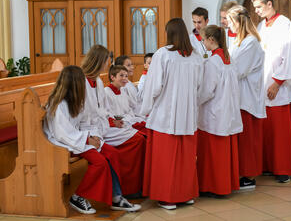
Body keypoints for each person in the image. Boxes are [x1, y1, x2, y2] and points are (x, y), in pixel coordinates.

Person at [43, 65, 141, 214]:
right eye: (81, 83)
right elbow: (62, 133)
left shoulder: (75, 100)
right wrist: (87, 140)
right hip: (64, 142)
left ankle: (116, 197)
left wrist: (93, 136)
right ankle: (78, 196)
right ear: (73, 84)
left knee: (113, 153)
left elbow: (84, 122)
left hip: (79, 137)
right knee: (100, 162)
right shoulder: (59, 105)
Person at [141, 18, 203, 210]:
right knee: (186, 157)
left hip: (165, 114)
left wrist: (145, 110)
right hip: (188, 114)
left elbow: (154, 87)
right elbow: (200, 87)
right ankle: (185, 195)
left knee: (166, 158)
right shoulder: (196, 56)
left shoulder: (163, 54)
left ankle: (168, 197)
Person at [252, 0, 291, 183]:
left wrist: (278, 82)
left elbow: (289, 55)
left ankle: (283, 169)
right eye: (255, 7)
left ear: (269, 4)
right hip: (263, 83)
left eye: (259, 7)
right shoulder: (261, 26)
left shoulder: (285, 25)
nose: (256, 10)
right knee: (267, 129)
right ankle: (268, 165)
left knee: (280, 131)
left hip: (279, 86)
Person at [81, 45, 146, 196]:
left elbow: (101, 109)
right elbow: (86, 114)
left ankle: (135, 186)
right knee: (137, 141)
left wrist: (109, 121)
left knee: (140, 139)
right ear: (98, 61)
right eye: (106, 61)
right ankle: (127, 189)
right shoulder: (83, 82)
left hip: (102, 125)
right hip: (91, 129)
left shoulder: (96, 81)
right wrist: (108, 122)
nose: (108, 64)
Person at [197, 25, 243, 196]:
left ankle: (214, 186)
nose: (203, 43)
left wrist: (195, 101)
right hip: (227, 109)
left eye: (203, 40)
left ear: (211, 40)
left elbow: (207, 90)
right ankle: (226, 184)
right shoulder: (228, 59)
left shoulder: (213, 62)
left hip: (214, 111)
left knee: (213, 152)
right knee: (224, 151)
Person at [227, 5, 266, 189]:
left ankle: (249, 176)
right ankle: (240, 172)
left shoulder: (251, 42)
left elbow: (238, 70)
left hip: (247, 97)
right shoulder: (238, 41)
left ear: (237, 22)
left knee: (248, 139)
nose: (229, 26)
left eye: (230, 22)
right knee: (242, 138)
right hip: (239, 96)